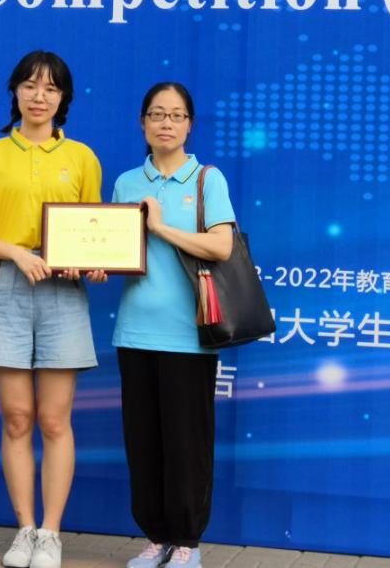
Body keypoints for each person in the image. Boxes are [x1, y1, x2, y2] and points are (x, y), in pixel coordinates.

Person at [0, 51, 105, 568]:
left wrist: (92, 263)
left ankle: (51, 533)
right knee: (17, 417)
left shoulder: (83, 158)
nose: (39, 97)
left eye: (50, 88)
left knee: (53, 419)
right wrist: (18, 254)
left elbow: (93, 232)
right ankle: (24, 529)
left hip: (64, 294)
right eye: (29, 86)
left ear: (63, 98)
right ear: (15, 92)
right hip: (7, 287)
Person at [111, 83, 235, 568]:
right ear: (142, 122)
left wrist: (160, 226)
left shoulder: (207, 179)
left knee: (187, 444)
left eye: (176, 115)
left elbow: (221, 246)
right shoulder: (126, 183)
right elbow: (116, 248)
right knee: (143, 443)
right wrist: (97, 264)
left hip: (189, 335)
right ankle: (156, 537)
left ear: (189, 125)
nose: (166, 123)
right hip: (134, 331)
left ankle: (187, 542)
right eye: (157, 114)